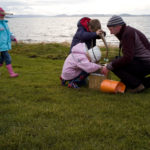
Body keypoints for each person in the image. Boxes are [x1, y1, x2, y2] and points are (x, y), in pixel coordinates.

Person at [101, 15, 150, 93]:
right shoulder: (128, 31)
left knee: (114, 65)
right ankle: (143, 82)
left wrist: (108, 66)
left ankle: (137, 86)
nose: (110, 33)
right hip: (143, 62)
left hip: (145, 63)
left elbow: (127, 58)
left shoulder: (127, 34)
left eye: (111, 29)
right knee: (117, 61)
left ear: (118, 26)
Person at [0, 7, 18, 77]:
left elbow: (8, 33)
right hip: (1, 44)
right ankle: (11, 73)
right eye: (2, 14)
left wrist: (13, 38)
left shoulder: (5, 23)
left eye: (3, 14)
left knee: (2, 59)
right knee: (8, 58)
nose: (3, 16)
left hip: (4, 44)